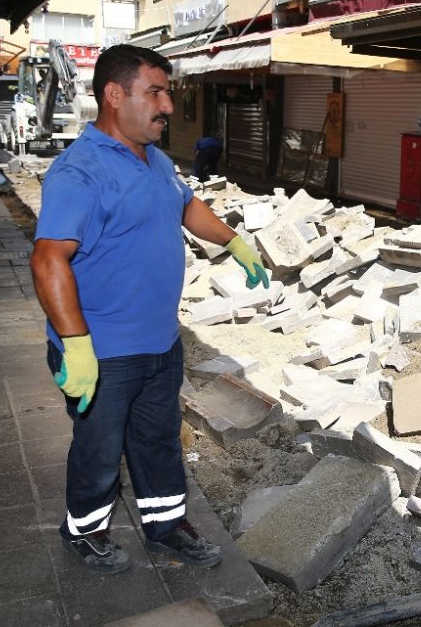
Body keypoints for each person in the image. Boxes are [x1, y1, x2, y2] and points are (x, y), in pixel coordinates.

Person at [29, 45, 270, 574]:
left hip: (160, 344)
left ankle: (165, 527)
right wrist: (75, 345)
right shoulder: (80, 172)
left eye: (167, 91)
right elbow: (48, 260)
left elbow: (186, 204)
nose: (166, 105)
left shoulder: (155, 159)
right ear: (115, 96)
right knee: (98, 449)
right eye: (154, 92)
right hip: (103, 352)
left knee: (158, 442)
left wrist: (234, 243)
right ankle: (84, 531)